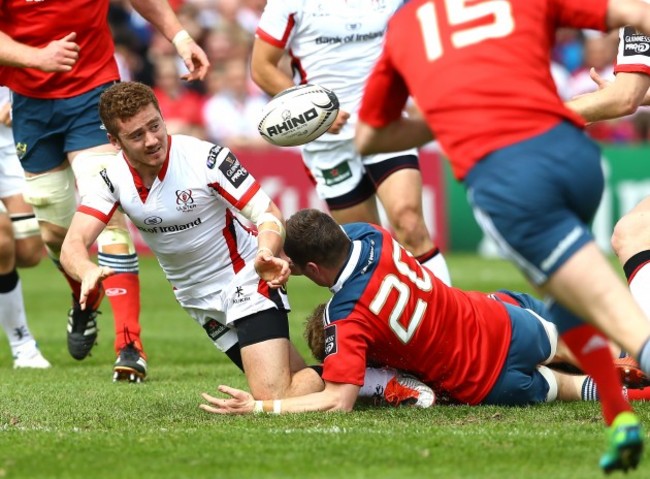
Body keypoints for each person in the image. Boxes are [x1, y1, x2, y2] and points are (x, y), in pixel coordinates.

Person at [351, 0, 650, 473]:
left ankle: (622, 407)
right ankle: (621, 406)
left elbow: (369, 138)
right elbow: (638, 22)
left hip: (510, 172)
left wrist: (454, 118)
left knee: (587, 300)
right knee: (606, 262)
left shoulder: (407, 24)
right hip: (574, 157)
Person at [59, 81, 431, 405]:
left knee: (271, 395)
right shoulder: (112, 179)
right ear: (114, 141)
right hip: (196, 298)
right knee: (290, 378)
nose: (152, 139)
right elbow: (73, 244)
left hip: (245, 278)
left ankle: (380, 381)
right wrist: (87, 269)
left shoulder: (204, 158)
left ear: (161, 115)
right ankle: (376, 379)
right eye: (136, 135)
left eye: (155, 125)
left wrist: (267, 250)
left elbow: (267, 213)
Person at [199, 210, 650, 434]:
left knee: (564, 388)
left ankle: (628, 393)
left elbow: (337, 401)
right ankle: (631, 353)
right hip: (502, 324)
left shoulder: (345, 317)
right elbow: (331, 248)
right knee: (569, 341)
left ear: (312, 270)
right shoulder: (369, 234)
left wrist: (259, 407)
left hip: (485, 382)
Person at [0, 0, 210, 382]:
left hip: (92, 94)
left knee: (109, 216)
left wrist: (179, 38)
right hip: (29, 102)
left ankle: (129, 346)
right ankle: (86, 290)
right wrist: (37, 57)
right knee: (53, 234)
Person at [250, 0, 450, 286]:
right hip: (328, 141)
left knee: (409, 222)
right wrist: (317, 111)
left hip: (385, 124)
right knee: (363, 245)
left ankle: (446, 322)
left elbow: (416, 39)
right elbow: (261, 67)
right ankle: (387, 326)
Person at [0, 86, 50, 369]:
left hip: (8, 141)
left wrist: (20, 103)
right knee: (2, 240)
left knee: (30, 252)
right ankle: (23, 345)